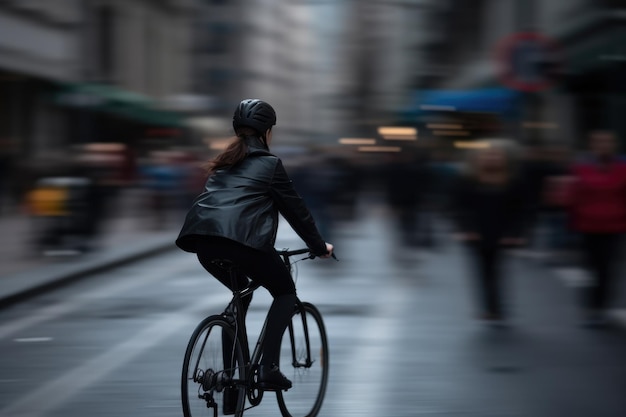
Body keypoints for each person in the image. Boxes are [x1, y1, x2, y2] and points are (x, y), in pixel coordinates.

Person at [175, 99, 334, 394]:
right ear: (267, 132)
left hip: (204, 245)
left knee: (240, 298)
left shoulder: (223, 163)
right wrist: (318, 245)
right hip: (243, 244)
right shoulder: (270, 164)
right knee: (285, 292)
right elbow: (296, 211)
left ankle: (231, 390)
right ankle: (268, 369)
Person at [452, 141, 526, 324]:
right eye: (488, 155)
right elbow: (459, 207)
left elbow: (521, 209)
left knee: (497, 270)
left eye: (496, 155)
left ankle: (496, 307)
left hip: (502, 233)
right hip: (477, 233)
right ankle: (490, 308)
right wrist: (466, 229)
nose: (492, 158)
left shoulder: (513, 181)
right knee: (483, 271)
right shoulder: (468, 181)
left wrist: (515, 232)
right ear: (479, 159)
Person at [569, 130, 626, 327]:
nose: (603, 146)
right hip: (588, 225)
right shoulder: (582, 167)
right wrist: (573, 221)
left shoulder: (622, 168)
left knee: (607, 270)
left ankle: (600, 308)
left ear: (614, 145)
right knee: (591, 269)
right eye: (599, 142)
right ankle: (591, 307)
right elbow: (574, 196)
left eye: (607, 142)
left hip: (614, 226)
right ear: (592, 146)